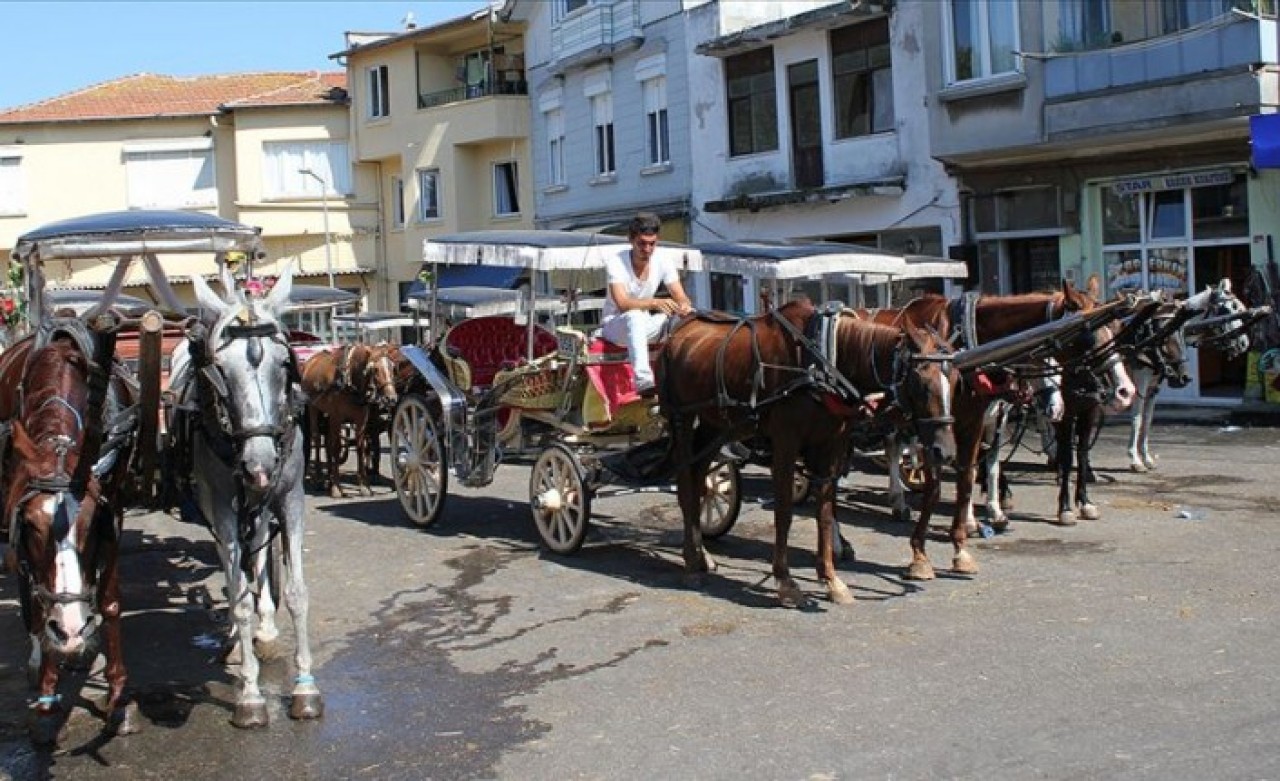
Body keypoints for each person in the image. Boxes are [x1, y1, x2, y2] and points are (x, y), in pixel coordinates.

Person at [600, 212, 693, 397]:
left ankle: (688, 374)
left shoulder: (663, 260)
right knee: (634, 316)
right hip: (616, 326)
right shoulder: (616, 262)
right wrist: (655, 303)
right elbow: (623, 303)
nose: (647, 249)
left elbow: (681, 296)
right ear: (631, 240)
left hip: (645, 326)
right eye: (642, 243)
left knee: (688, 318)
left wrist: (683, 307)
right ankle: (644, 381)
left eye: (652, 244)